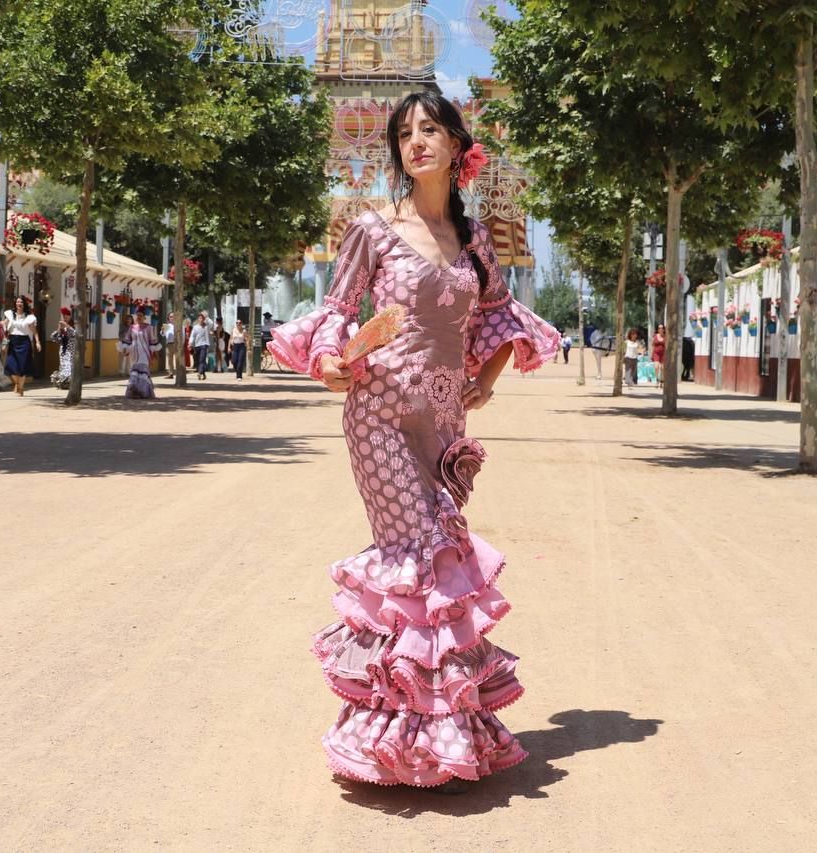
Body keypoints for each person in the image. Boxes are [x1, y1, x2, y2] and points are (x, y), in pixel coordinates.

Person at [268, 91, 558, 792]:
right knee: (420, 555)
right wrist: (332, 365)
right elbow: (337, 315)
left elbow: (499, 315)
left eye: (430, 129)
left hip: (441, 422)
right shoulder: (370, 229)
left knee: (443, 565)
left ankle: (448, 724)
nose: (416, 142)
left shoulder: (474, 237)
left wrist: (482, 382)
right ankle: (401, 734)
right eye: (404, 134)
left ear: (458, 145)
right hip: (377, 413)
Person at [117, 309, 162, 398]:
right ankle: (134, 392)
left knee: (142, 370)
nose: (138, 317)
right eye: (137, 315)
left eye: (140, 315)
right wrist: (125, 348)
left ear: (144, 317)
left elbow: (152, 340)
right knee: (135, 372)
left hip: (144, 352)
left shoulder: (149, 327)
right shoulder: (132, 327)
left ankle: (143, 391)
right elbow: (127, 339)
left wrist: (154, 352)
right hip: (134, 353)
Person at [2, 294, 40, 396]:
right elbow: (4, 323)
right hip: (13, 341)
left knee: (22, 367)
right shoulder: (10, 314)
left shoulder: (29, 317)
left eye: (21, 302)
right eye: (18, 302)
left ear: (24, 304)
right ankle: (17, 383)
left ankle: (21, 388)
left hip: (24, 342)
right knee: (11, 366)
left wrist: (37, 342)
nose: (19, 303)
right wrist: (3, 327)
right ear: (15, 303)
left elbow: (34, 331)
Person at [50, 309, 76, 389]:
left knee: (69, 366)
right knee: (63, 366)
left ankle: (69, 383)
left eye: (66, 316)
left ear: (70, 317)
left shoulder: (73, 326)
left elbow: (75, 334)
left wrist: (67, 326)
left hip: (71, 351)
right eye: (63, 317)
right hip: (63, 351)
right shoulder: (62, 329)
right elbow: (54, 338)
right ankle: (64, 383)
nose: (65, 318)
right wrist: (59, 329)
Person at [188, 311, 211, 380]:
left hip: (204, 345)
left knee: (202, 359)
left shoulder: (206, 327)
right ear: (198, 319)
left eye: (202, 318)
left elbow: (211, 323)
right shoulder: (195, 327)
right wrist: (190, 343)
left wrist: (206, 316)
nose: (201, 320)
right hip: (197, 345)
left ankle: (200, 372)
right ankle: (203, 373)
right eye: (200, 318)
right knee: (199, 360)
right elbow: (192, 336)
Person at [161, 312, 179, 379]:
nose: (172, 318)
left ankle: (178, 372)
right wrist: (162, 330)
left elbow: (183, 335)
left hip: (177, 344)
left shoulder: (179, 325)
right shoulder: (166, 326)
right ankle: (170, 373)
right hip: (169, 344)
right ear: (168, 318)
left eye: (173, 316)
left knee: (178, 359)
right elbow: (162, 334)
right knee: (170, 360)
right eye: (171, 316)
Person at [651, 323, 667, 388]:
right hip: (656, 353)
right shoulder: (655, 336)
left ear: (663, 329)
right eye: (659, 328)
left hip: (663, 354)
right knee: (656, 367)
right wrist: (652, 353)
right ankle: (657, 380)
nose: (660, 329)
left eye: (661, 328)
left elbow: (666, 346)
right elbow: (652, 345)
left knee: (662, 368)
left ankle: (662, 380)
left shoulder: (666, 336)